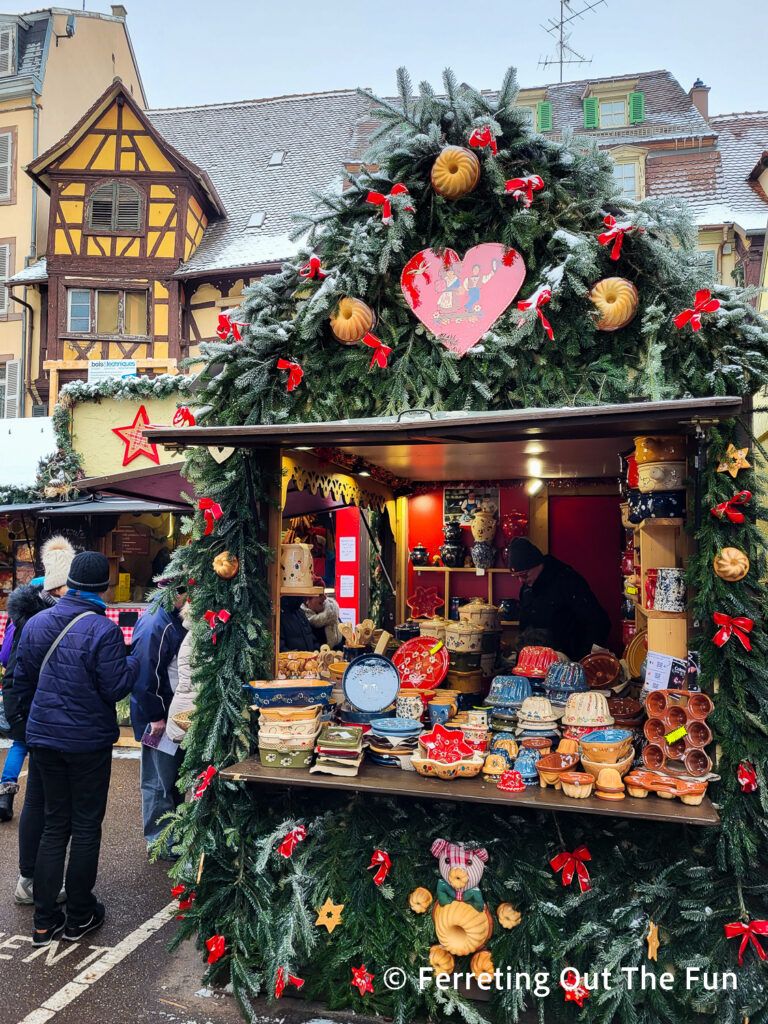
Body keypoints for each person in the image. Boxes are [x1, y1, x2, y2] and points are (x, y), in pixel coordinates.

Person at [13, 551, 140, 947]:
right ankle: (80, 915)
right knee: (85, 828)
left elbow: (23, 678)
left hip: (45, 738)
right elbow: (116, 687)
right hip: (87, 743)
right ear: (103, 587)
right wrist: (134, 661)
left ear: (69, 580)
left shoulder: (36, 623)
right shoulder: (103, 630)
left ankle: (43, 922)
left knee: (55, 826)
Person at [0, 536, 76, 826]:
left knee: (20, 744)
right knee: (44, 751)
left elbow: (7, 657)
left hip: (16, 690)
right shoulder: (47, 618)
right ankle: (46, 807)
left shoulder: (19, 614)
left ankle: (5, 796)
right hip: (36, 695)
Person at [129, 586, 187, 857]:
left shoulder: (168, 617)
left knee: (170, 779)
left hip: (168, 713)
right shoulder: (157, 621)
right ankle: (160, 841)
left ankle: (169, 837)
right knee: (157, 780)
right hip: (159, 717)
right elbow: (144, 676)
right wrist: (156, 716)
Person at [507, 538, 610, 661]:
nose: (521, 581)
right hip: (536, 662)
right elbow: (523, 629)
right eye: (516, 576)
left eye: (523, 575)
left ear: (537, 564)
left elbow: (598, 621)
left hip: (568, 659)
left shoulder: (567, 580)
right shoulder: (526, 589)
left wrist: (585, 660)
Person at [302, 584, 343, 650]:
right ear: (308, 600)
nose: (324, 598)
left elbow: (344, 641)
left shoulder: (332, 615)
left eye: (324, 594)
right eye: (320, 595)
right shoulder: (302, 620)